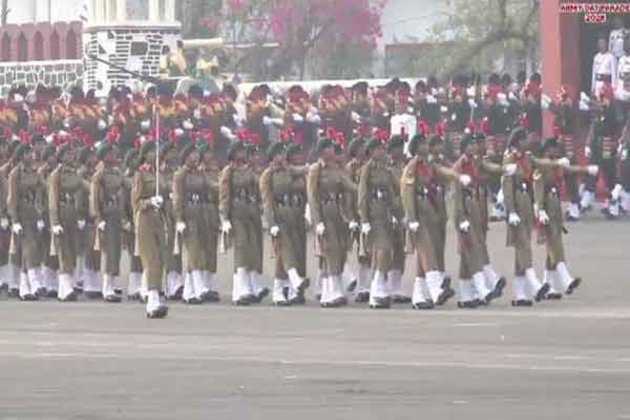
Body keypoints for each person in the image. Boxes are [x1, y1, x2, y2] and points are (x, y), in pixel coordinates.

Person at [401, 133, 468, 309]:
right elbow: (407, 194)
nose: (426, 146)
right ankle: (437, 290)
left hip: (430, 214)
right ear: (416, 148)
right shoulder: (412, 167)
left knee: (423, 258)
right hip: (419, 217)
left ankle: (419, 295)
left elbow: (442, 171)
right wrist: (411, 218)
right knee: (428, 253)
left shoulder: (428, 165)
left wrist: (457, 177)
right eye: (422, 144)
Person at [502, 128, 564, 306]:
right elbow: (507, 186)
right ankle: (535, 284)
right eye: (525, 139)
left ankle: (520, 294)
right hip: (516, 207)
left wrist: (557, 162)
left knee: (521, 250)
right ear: (517, 141)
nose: (529, 140)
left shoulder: (528, 157)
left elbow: (541, 164)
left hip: (527, 206)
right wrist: (511, 210)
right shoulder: (510, 159)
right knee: (523, 248)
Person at [534, 137, 598, 299]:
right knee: (555, 246)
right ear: (548, 149)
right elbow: (538, 188)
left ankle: (549, 286)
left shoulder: (557, 164)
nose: (558, 150)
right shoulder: (542, 165)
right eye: (555, 148)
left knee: (552, 250)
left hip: (555, 209)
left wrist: (587, 169)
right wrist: (540, 210)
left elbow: (570, 170)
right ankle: (566, 279)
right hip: (546, 209)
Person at [452, 134, 506, 308]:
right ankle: (483, 287)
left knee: (469, 253)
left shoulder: (476, 162)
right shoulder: (459, 166)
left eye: (476, 144)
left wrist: (504, 169)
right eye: (471, 144)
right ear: (464, 147)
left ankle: (466, 296)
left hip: (477, 208)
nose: (475, 147)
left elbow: (489, 167)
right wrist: (460, 219)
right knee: (472, 249)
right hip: (465, 210)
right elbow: (457, 196)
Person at [307, 138, 356, 308]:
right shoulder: (316, 170)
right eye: (327, 148)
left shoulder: (338, 169)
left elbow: (350, 187)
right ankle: (332, 291)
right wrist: (317, 221)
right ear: (321, 151)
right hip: (325, 213)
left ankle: (329, 291)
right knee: (331, 251)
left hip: (338, 213)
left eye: (332, 148)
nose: (331, 151)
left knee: (340, 251)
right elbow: (312, 197)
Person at [259, 142, 310, 306]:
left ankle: (279, 291)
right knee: (286, 250)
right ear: (272, 157)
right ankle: (294, 282)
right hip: (279, 216)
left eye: (282, 154)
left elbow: (302, 170)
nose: (281, 157)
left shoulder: (289, 170)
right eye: (278, 155)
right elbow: (267, 201)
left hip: (293, 216)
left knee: (288, 253)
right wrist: (271, 222)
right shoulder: (268, 175)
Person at [219, 140, 267, 305]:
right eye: (239, 151)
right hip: (237, 213)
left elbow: (258, 189)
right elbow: (224, 196)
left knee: (253, 247)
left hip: (251, 212)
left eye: (244, 151)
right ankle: (240, 290)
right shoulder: (229, 172)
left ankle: (251, 287)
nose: (243, 154)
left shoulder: (250, 171)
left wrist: (261, 205)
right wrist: (225, 218)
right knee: (241, 248)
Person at [357, 137, 400, 309]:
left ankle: (378, 290)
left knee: (382, 253)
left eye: (383, 148)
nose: (383, 151)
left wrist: (399, 214)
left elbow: (393, 193)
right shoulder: (367, 170)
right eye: (379, 148)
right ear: (372, 151)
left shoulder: (387, 171)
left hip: (385, 216)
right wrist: (364, 219)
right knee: (383, 249)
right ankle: (377, 288)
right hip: (373, 216)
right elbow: (362, 195)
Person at [131, 140, 169, 318]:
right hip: (145, 220)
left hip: (158, 219)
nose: (156, 154)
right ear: (146, 155)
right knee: (151, 260)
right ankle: (152, 302)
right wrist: (149, 202)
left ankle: (155, 296)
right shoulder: (140, 175)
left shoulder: (159, 174)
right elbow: (135, 202)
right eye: (153, 152)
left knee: (161, 259)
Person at [48, 143, 89, 302]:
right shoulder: (56, 175)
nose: (71, 156)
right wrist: (55, 222)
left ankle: (64, 289)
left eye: (72, 154)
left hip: (73, 217)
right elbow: (52, 200)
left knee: (71, 253)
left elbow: (87, 187)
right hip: (62, 217)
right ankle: (66, 289)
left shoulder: (75, 174)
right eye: (67, 154)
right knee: (64, 253)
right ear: (61, 156)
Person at [172, 141, 211, 305]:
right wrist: (179, 218)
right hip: (188, 214)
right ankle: (199, 285)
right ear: (186, 156)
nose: (196, 156)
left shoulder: (200, 174)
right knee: (193, 250)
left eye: (197, 153)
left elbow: (210, 188)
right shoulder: (180, 175)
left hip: (201, 213)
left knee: (200, 249)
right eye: (192, 154)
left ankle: (189, 292)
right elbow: (177, 198)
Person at [7, 142, 46, 301]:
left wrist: (41, 215)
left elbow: (44, 189)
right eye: (27, 153)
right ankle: (35, 283)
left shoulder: (36, 172)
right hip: (21, 217)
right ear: (21, 156)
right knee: (29, 249)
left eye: (31, 153)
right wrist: (14, 220)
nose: (31, 156)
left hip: (34, 216)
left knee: (28, 252)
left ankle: (24, 289)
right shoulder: (15, 174)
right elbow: (12, 199)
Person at [90, 140, 126, 303]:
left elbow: (128, 186)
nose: (113, 156)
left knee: (116, 252)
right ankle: (106, 288)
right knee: (109, 252)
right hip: (106, 216)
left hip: (116, 215)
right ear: (103, 156)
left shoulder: (117, 172)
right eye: (110, 154)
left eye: (114, 153)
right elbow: (94, 197)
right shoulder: (99, 174)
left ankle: (111, 284)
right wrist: (98, 218)